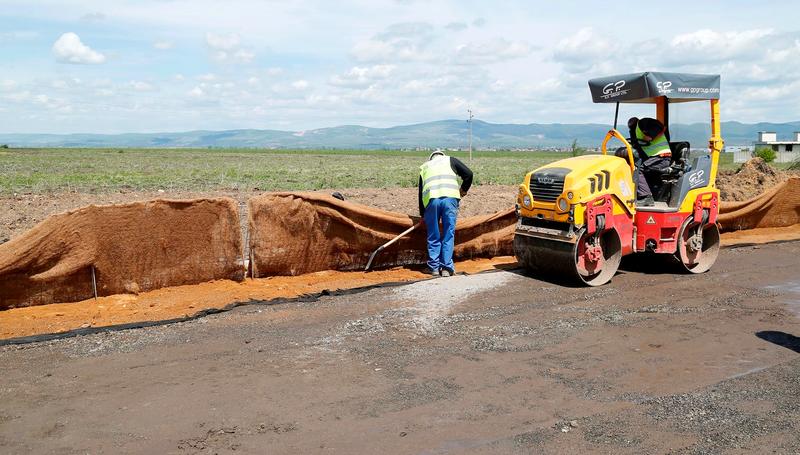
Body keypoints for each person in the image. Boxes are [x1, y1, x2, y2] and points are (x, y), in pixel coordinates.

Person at [418, 149, 473, 277]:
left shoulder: (425, 166)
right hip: (450, 200)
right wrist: (463, 190)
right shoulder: (450, 160)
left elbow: (421, 193)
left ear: (431, 158)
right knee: (448, 233)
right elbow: (469, 174)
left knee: (433, 234)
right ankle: (447, 269)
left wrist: (422, 214)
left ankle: (434, 268)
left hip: (432, 201)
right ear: (442, 155)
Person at [627, 117, 671, 206]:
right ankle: (640, 194)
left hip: (662, 156)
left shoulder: (643, 123)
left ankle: (646, 197)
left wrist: (651, 137)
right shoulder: (635, 131)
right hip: (656, 157)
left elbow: (663, 128)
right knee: (636, 166)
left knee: (638, 170)